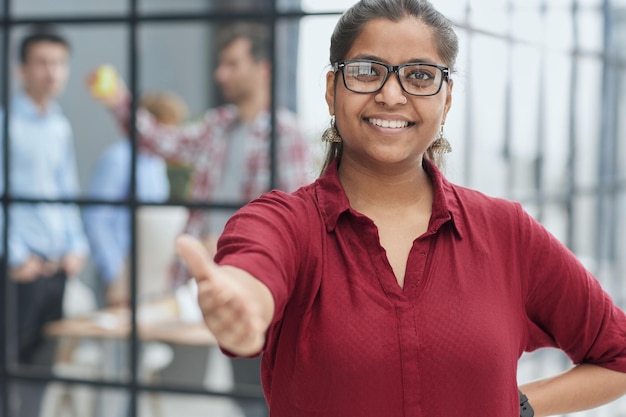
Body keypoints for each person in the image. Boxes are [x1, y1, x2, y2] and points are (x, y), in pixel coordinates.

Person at [174, 0, 626, 416]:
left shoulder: (506, 231)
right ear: (332, 89)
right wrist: (243, 302)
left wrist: (517, 406)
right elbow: (252, 270)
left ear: (446, 99)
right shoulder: (286, 223)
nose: (392, 95)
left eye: (420, 76)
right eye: (368, 71)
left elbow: (617, 355)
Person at [90, 22, 313, 417]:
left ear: (262, 69)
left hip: (254, 284)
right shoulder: (218, 126)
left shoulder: (286, 135)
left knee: (259, 392)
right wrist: (118, 99)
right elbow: (160, 140)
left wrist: (237, 245)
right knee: (205, 390)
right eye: (220, 64)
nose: (220, 74)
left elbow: (297, 222)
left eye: (231, 63)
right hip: (200, 284)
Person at [3, 25, 89, 417]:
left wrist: (77, 246)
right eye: (41, 62)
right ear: (22, 69)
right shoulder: (6, 123)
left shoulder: (59, 124)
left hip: (57, 267)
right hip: (20, 270)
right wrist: (15, 256)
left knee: (42, 372)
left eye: (58, 63)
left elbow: (65, 190)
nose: (51, 72)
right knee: (9, 370)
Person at [83, 91, 189, 307]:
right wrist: (114, 274)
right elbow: (96, 220)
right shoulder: (119, 159)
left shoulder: (155, 163)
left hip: (147, 271)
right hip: (120, 271)